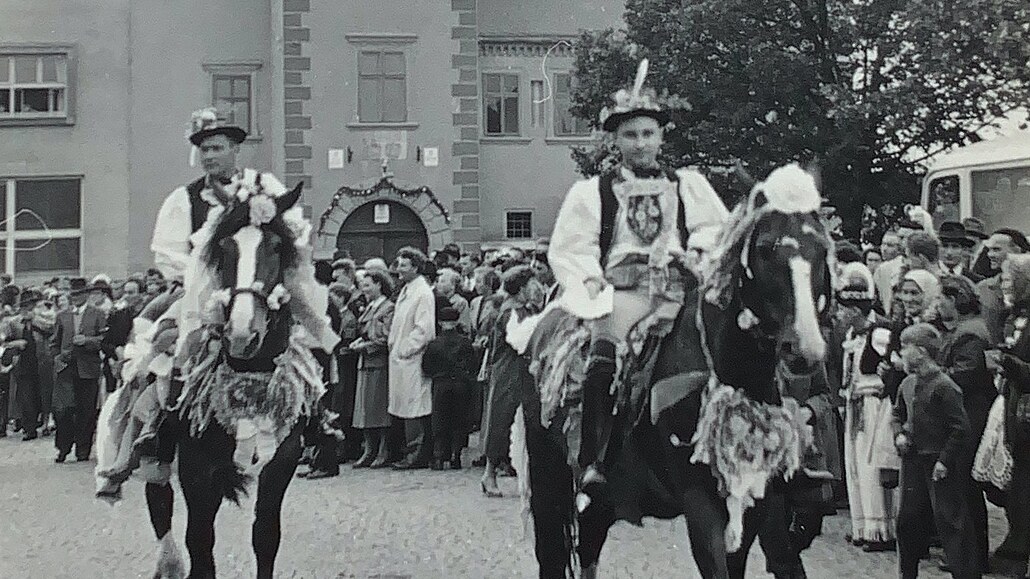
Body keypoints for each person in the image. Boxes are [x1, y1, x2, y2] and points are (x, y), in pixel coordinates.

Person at [547, 59, 729, 476]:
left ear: (661, 137)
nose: (641, 143)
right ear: (616, 141)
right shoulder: (593, 192)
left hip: (683, 289)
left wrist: (696, 255)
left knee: (735, 345)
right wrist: (589, 279)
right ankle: (597, 459)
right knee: (603, 355)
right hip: (625, 292)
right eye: (631, 135)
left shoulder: (688, 186)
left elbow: (714, 230)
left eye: (649, 134)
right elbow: (573, 246)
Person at [893, 323, 979, 579]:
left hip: (938, 464)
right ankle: (906, 574)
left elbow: (960, 428)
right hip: (912, 463)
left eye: (904, 348)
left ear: (920, 351)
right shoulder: (907, 384)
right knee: (907, 522)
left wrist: (945, 461)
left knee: (951, 522)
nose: (900, 353)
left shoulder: (945, 386)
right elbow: (897, 413)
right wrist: (899, 433)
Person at [936, 275, 996, 574]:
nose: (937, 304)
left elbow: (967, 373)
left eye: (941, 299)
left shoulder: (970, 333)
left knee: (963, 486)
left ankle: (970, 556)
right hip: (968, 410)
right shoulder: (967, 329)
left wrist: (936, 373)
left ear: (955, 300)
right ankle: (969, 554)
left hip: (970, 412)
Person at [837, 264, 898, 552]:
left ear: (855, 310)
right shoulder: (852, 335)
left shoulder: (879, 333)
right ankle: (862, 526)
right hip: (855, 404)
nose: (840, 314)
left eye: (844, 309)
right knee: (855, 465)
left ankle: (881, 530)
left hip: (873, 405)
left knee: (872, 465)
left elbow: (888, 369)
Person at [480, 265, 543, 497]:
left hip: (518, 372)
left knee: (517, 422)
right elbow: (521, 340)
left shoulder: (520, 309)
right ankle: (489, 474)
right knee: (501, 421)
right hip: (510, 372)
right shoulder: (512, 312)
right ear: (522, 287)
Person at [987, 253, 1030, 578]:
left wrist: (1011, 364)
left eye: (1008, 279)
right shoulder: (1014, 314)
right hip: (1016, 411)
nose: (1003, 285)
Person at [387, 246, 437, 470]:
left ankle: (418, 453)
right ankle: (408, 450)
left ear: (416, 268)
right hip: (400, 360)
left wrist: (403, 349)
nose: (399, 270)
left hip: (412, 359)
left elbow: (423, 329)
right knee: (404, 405)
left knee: (416, 405)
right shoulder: (408, 289)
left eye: (404, 266)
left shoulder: (423, 293)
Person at [52, 278, 108, 462]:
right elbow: (55, 342)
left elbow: (104, 339)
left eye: (79, 294)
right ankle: (63, 447)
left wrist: (88, 340)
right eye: (73, 295)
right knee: (63, 410)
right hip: (66, 368)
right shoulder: (62, 315)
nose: (75, 298)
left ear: (87, 294)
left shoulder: (97, 314)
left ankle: (83, 448)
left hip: (88, 368)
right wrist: (58, 358)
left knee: (86, 410)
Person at [350, 269, 395, 469]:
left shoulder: (387, 308)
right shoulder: (370, 307)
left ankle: (383, 449)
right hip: (365, 363)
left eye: (368, 285)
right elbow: (366, 333)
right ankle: (369, 449)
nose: (364, 289)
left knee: (379, 408)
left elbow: (386, 337)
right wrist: (359, 341)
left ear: (379, 284)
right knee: (365, 409)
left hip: (379, 363)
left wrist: (365, 346)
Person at [422, 306, 476, 470]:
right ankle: (455, 456)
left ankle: (439, 456)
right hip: (460, 384)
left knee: (439, 420)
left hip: (441, 383)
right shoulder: (465, 343)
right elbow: (473, 364)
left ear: (440, 323)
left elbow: (426, 367)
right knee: (459, 420)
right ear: (457, 321)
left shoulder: (434, 344)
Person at [976, 229, 1030, 345]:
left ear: (1018, 252)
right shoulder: (984, 289)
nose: (990, 255)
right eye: (989, 250)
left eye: (996, 250)